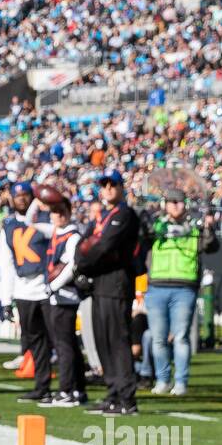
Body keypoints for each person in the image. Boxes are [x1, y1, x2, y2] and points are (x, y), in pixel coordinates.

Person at [77, 170, 142, 416]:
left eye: (112, 184)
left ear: (121, 187)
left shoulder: (124, 214)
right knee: (104, 340)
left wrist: (83, 265)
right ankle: (113, 392)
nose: (107, 188)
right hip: (101, 283)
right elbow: (84, 241)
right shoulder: (102, 216)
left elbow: (105, 245)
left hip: (117, 283)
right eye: (104, 185)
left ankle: (127, 398)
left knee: (118, 340)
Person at [144, 189, 217, 396]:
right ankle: (162, 379)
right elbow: (141, 237)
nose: (176, 205)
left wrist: (210, 228)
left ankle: (181, 382)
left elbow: (211, 246)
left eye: (179, 202)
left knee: (181, 337)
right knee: (158, 338)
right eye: (171, 202)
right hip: (157, 286)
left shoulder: (195, 226)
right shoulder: (156, 225)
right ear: (165, 204)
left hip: (184, 287)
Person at [0, 182, 55, 403]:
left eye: (25, 195)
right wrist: (6, 299)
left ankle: (72, 387)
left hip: (47, 288)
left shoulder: (46, 220)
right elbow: (6, 265)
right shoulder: (9, 226)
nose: (21, 199)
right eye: (17, 195)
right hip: (24, 290)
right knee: (35, 341)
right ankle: (42, 386)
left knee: (59, 339)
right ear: (11, 199)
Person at [39, 194, 87, 408]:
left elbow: (71, 267)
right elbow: (30, 221)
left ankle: (67, 390)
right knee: (69, 346)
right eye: (54, 211)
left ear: (69, 213)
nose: (57, 216)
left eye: (61, 212)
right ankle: (78, 388)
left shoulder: (72, 236)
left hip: (65, 295)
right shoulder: (55, 232)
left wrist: (53, 286)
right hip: (56, 295)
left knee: (64, 346)